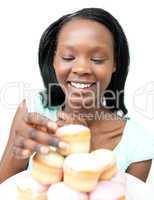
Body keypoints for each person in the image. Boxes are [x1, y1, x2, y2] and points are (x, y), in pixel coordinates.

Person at [0, 7, 154, 183]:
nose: (81, 69)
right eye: (67, 57)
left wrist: (80, 151)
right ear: (53, 60)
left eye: (97, 59)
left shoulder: (138, 143)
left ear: (115, 64)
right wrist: (17, 151)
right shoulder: (33, 110)